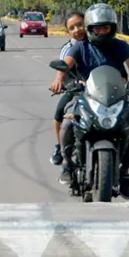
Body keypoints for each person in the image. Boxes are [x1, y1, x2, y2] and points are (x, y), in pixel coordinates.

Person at [49, 3, 129, 199]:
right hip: (87, 94)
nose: (101, 32)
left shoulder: (121, 46)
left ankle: (126, 170)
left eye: (106, 28)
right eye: (97, 28)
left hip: (117, 94)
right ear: (90, 28)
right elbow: (66, 65)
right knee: (69, 122)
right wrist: (58, 80)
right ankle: (67, 163)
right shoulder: (80, 47)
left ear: (112, 28)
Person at [50, 11, 87, 166]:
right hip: (75, 87)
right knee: (60, 111)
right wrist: (58, 82)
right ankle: (61, 147)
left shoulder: (100, 43)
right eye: (72, 28)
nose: (77, 30)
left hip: (100, 88)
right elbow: (63, 69)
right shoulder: (69, 48)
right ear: (68, 32)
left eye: (80, 25)